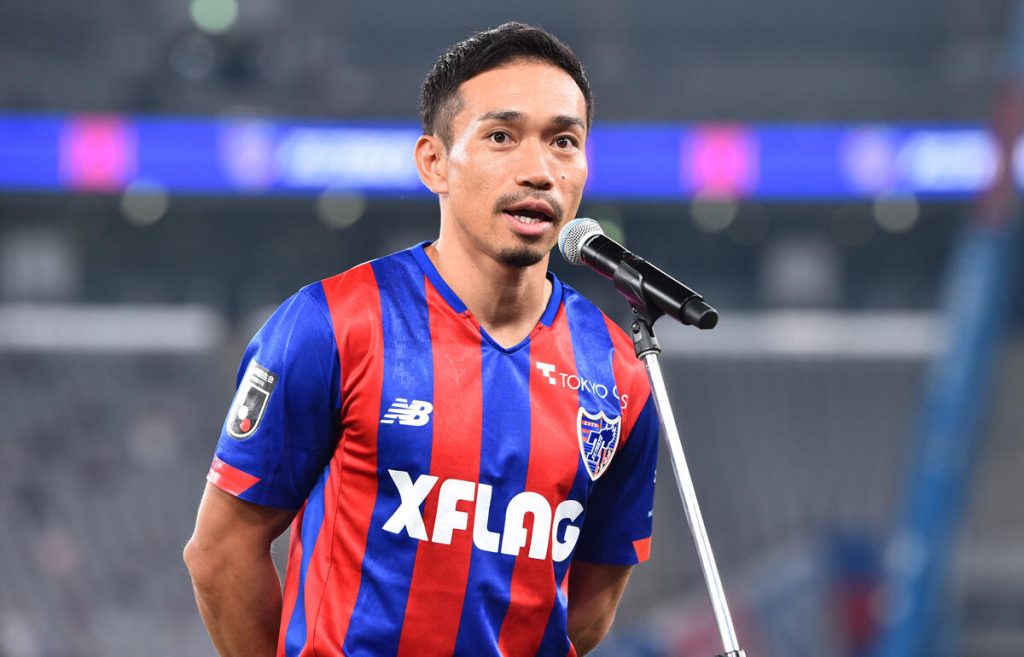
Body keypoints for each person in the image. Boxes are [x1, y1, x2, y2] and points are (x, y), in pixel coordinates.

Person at [184, 21, 659, 657]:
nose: (539, 170)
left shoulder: (621, 373)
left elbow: (591, 602)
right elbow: (221, 554)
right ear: (435, 162)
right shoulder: (333, 324)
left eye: (564, 142)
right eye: (501, 136)